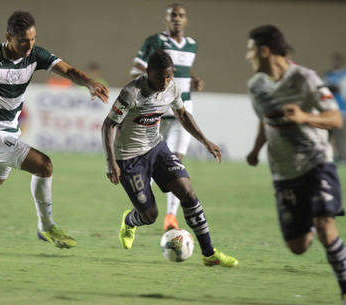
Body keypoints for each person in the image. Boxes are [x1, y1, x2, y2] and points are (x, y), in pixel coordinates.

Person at [0, 11, 109, 249]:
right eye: (23, 40)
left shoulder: (35, 56)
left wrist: (89, 82)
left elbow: (68, 71)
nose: (29, 45)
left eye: (33, 39)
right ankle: (46, 226)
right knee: (44, 165)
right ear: (9, 36)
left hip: (9, 132)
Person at [102, 49, 237, 267]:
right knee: (150, 215)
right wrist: (111, 162)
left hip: (156, 148)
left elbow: (182, 115)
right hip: (129, 157)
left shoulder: (173, 87)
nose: (165, 82)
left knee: (187, 191)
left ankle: (209, 253)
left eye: (168, 76)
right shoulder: (132, 92)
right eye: (159, 77)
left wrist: (205, 141)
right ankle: (129, 220)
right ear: (148, 72)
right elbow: (108, 124)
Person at [245, 25, 346, 304]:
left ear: (264, 51)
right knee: (298, 246)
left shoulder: (305, 78)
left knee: (326, 226)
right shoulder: (256, 86)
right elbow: (265, 119)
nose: (248, 55)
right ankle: (313, 216)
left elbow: (335, 119)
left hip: (316, 162)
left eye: (251, 49)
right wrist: (255, 150)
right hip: (284, 171)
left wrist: (304, 117)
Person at [130, 3, 204, 231]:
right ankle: (142, 208)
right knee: (151, 166)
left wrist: (192, 80)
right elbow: (136, 69)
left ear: (186, 19)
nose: (177, 19)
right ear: (167, 19)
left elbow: (178, 70)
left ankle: (171, 216)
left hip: (182, 113)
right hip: (157, 113)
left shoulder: (192, 45)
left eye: (181, 16)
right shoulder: (155, 41)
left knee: (176, 163)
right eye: (173, 16)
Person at [324, 53, 346, 163]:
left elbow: (342, 90)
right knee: (328, 135)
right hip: (329, 110)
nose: (335, 63)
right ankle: (332, 155)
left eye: (337, 61)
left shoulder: (344, 75)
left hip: (341, 109)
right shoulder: (329, 75)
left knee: (339, 134)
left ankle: (342, 155)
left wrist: (335, 88)